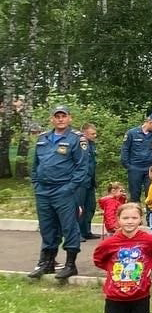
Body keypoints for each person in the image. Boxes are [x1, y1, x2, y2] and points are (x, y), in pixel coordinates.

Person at [29, 105, 90, 281]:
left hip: (64, 189)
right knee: (47, 226)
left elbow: (82, 167)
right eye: (57, 116)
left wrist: (69, 188)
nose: (60, 119)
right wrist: (36, 183)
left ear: (69, 118)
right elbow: (36, 165)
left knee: (68, 226)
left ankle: (71, 264)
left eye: (63, 116)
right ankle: (47, 262)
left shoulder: (77, 139)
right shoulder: (43, 138)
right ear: (52, 119)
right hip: (43, 190)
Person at [121, 111, 152, 202]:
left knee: (150, 194)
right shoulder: (132, 133)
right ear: (150, 123)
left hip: (150, 169)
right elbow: (125, 149)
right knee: (134, 194)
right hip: (135, 168)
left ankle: (150, 216)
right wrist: (127, 165)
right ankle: (135, 214)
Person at [78, 122, 100, 239]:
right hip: (81, 181)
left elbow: (92, 164)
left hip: (90, 180)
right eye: (92, 133)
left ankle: (86, 231)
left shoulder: (91, 145)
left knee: (90, 206)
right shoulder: (78, 144)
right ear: (84, 133)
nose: (94, 136)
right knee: (79, 208)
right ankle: (77, 233)